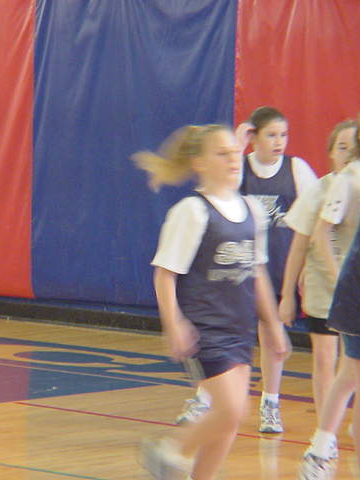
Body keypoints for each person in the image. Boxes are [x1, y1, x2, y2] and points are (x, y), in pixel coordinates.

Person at [133, 124, 290, 480]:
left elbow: (258, 273)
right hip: (206, 330)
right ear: (200, 163)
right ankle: (169, 452)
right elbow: (165, 274)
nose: (233, 159)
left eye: (235, 152)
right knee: (233, 410)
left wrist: (272, 325)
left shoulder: (252, 210)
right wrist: (174, 323)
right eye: (222, 153)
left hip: (240, 329)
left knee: (228, 421)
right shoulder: (192, 211)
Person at [176, 107, 317, 433]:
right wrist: (238, 147)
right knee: (224, 341)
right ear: (254, 137)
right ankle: (205, 397)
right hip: (235, 271)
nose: (279, 141)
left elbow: (313, 220)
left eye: (284, 135)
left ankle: (271, 402)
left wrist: (306, 269)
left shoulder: (296, 169)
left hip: (277, 266)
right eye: (271, 134)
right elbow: (219, 193)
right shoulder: (239, 169)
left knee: (272, 336)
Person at [298, 101, 360, 478]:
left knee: (350, 375)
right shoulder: (351, 178)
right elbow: (320, 231)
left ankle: (320, 445)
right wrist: (339, 275)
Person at [280, 120, 356, 413]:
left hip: (359, 290)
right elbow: (299, 246)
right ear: (331, 153)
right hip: (323, 288)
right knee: (325, 357)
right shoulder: (318, 191)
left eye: (355, 148)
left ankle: (354, 418)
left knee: (354, 362)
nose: (348, 154)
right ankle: (327, 424)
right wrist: (287, 295)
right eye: (342, 147)